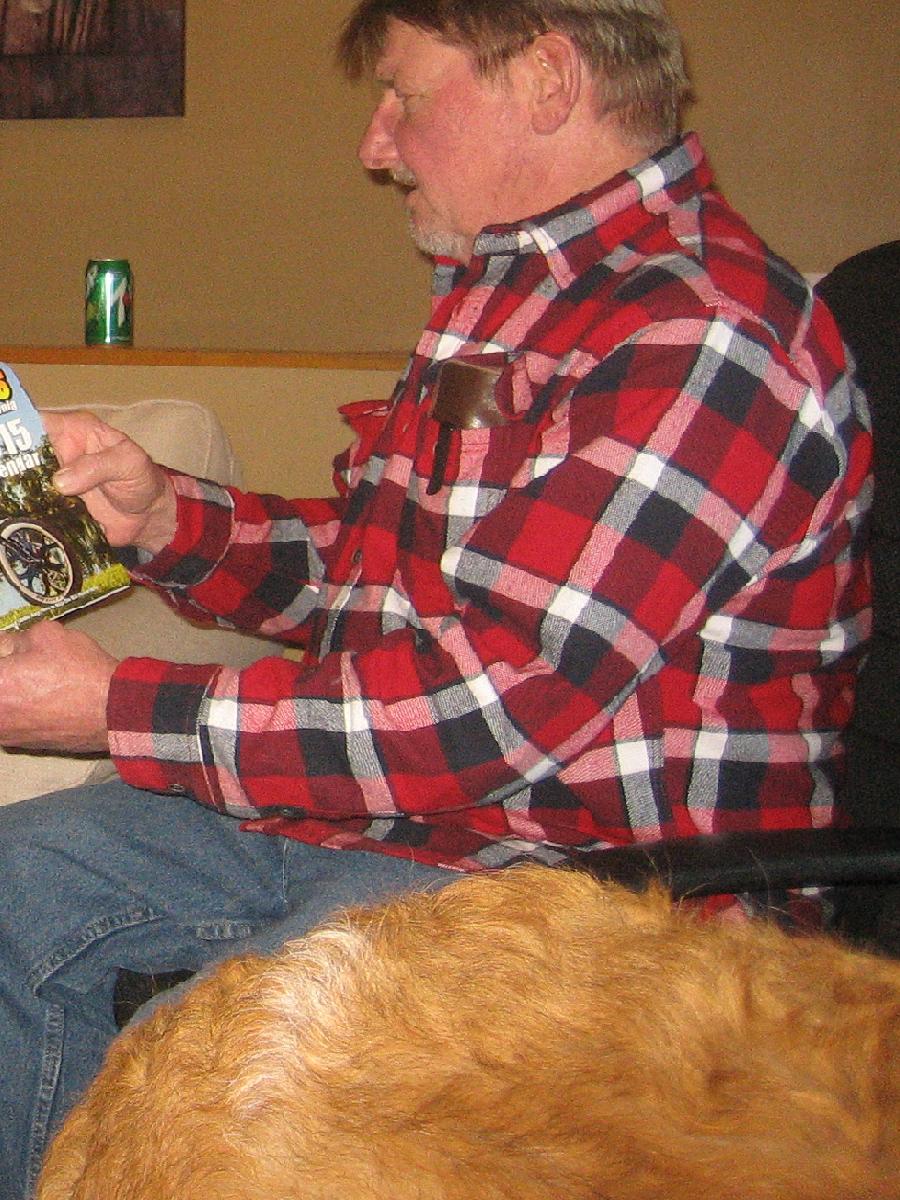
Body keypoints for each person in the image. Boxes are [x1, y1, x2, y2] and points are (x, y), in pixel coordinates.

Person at [0, 0, 871, 1193]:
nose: (376, 145)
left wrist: (115, 710)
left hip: (602, 895)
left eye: (405, 96)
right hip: (398, 826)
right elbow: (373, 577)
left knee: (210, 1074)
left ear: (548, 80)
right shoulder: (511, 296)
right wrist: (163, 519)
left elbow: (490, 708)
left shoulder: (702, 337)